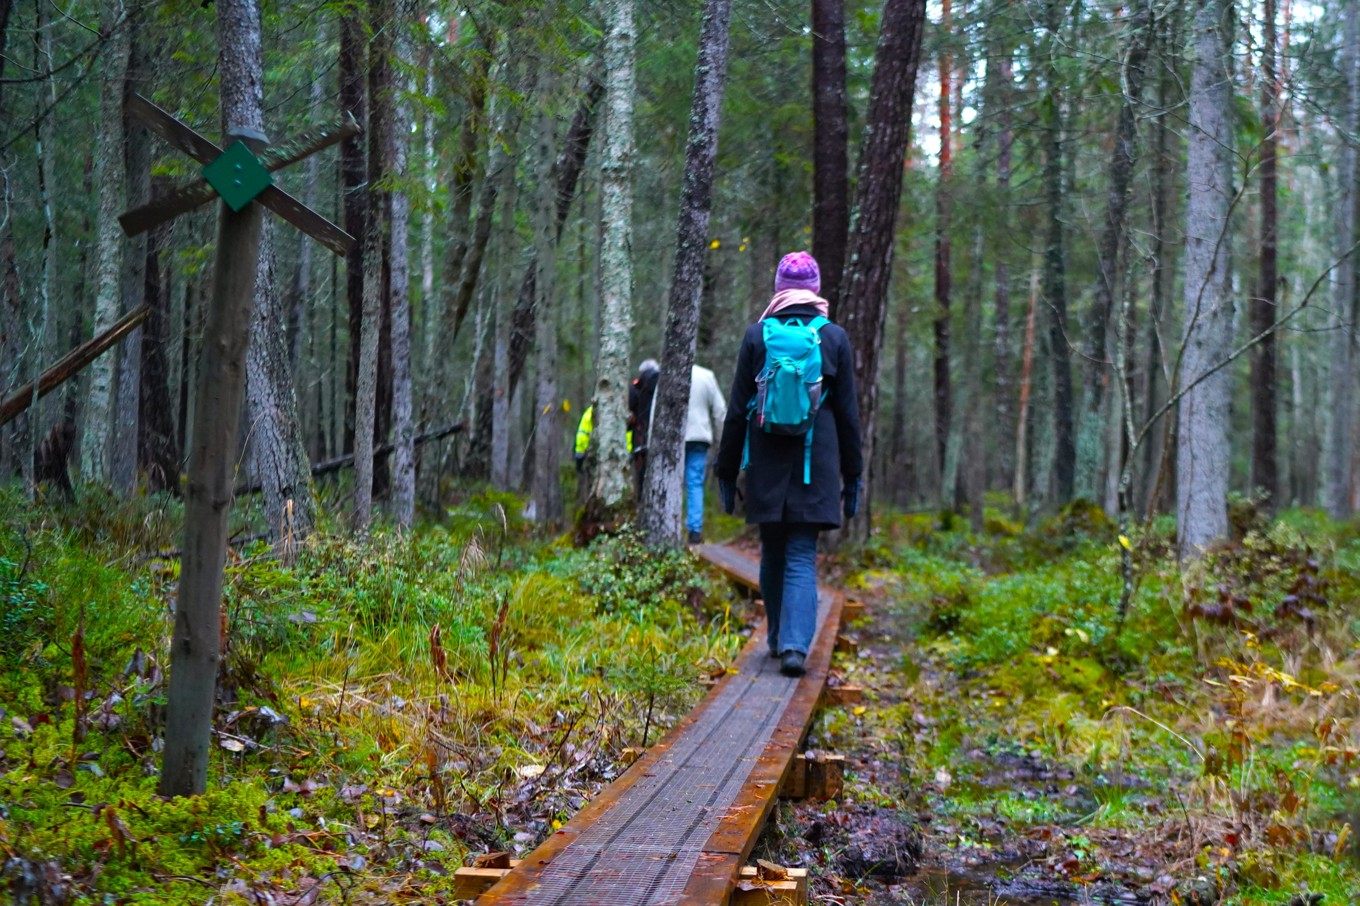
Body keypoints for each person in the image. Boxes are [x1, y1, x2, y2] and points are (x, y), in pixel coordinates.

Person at [715, 251, 863, 678]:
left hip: (767, 462)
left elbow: (737, 412)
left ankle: (779, 638)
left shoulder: (757, 336)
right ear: (815, 290)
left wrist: (726, 470)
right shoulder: (833, 338)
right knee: (800, 552)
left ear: (779, 288)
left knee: (773, 548)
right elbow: (849, 415)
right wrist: (853, 475)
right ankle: (797, 647)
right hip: (816, 463)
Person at [682, 363, 727, 544]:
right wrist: (721, 441)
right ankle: (694, 531)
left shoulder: (669, 373)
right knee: (694, 483)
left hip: (673, 438)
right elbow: (720, 411)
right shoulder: (706, 376)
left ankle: (670, 528)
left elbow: (656, 410)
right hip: (699, 436)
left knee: (671, 482)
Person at [628, 359, 660, 497]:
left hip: (641, 436)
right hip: (660, 436)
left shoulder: (636, 388)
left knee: (642, 474)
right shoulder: (665, 384)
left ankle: (642, 501)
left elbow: (630, 410)